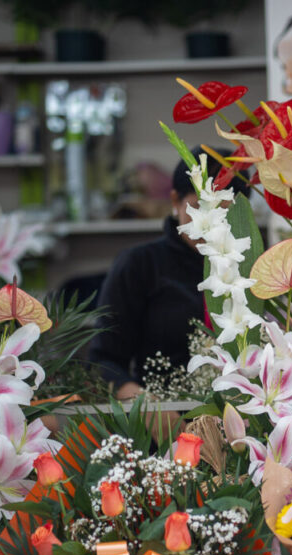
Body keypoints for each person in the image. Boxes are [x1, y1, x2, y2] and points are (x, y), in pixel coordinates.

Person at [89, 150, 249, 400]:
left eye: (225, 212)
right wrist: (145, 407)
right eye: (199, 209)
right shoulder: (139, 265)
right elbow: (102, 362)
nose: (213, 225)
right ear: (175, 201)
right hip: (161, 423)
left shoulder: (256, 267)